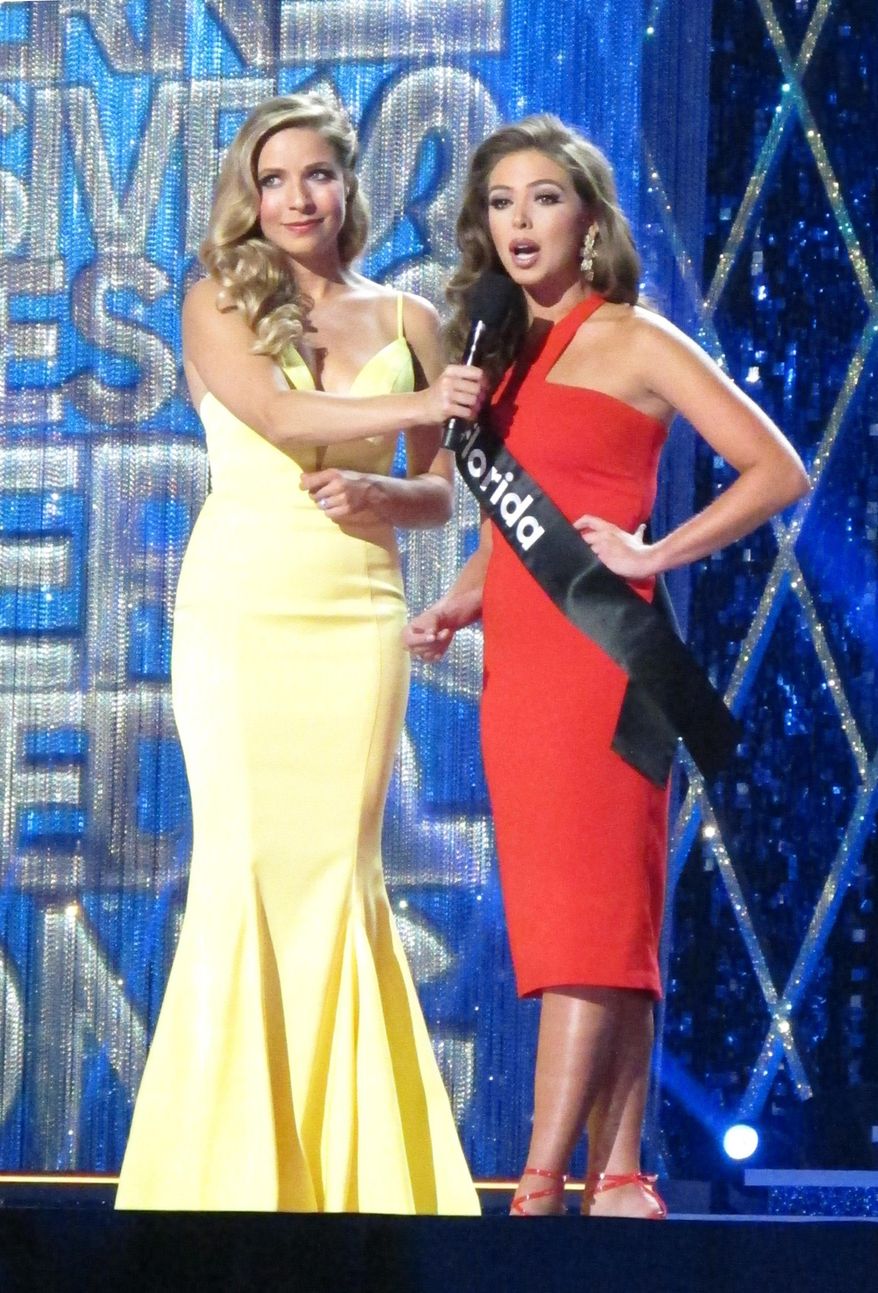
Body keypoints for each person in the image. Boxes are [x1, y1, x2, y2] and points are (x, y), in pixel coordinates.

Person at [405, 115, 808, 1218]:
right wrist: (455, 601)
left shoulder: (636, 339)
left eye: (543, 198)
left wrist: (657, 552)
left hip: (605, 666)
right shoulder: (497, 357)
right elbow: (511, 532)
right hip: (520, 676)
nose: (519, 221)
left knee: (586, 925)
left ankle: (538, 1179)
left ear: (587, 219)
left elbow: (776, 469)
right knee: (593, 922)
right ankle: (618, 1173)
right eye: (500, 203)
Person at [115, 92, 485, 1214]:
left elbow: (441, 493)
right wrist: (422, 403)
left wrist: (389, 491)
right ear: (248, 195)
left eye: (316, 174)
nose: (295, 198)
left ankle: (357, 1180)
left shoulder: (410, 316)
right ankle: (221, 1180)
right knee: (243, 865)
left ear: (349, 185)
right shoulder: (219, 296)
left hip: (356, 609)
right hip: (241, 607)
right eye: (272, 180)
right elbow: (278, 417)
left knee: (338, 870)